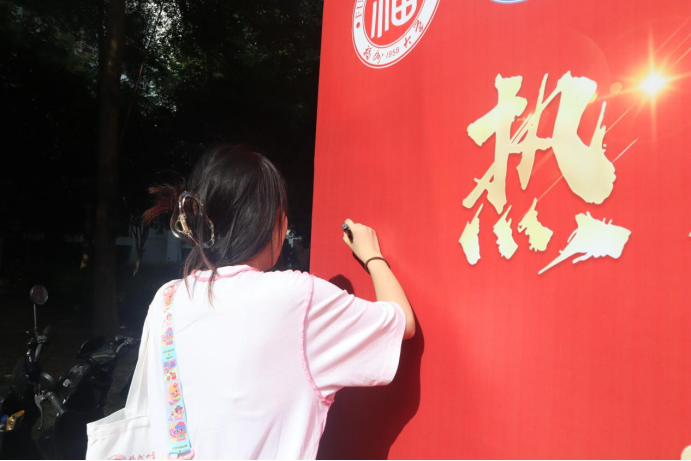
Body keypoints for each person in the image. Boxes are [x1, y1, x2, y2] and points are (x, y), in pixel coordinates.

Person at [142, 144, 415, 460]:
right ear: (274, 222)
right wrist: (372, 256)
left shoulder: (167, 299)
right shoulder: (295, 299)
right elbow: (402, 323)